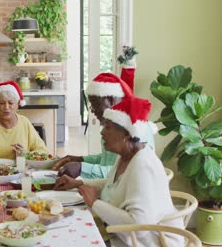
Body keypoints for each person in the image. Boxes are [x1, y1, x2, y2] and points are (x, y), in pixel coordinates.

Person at [54, 96, 182, 246]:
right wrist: (78, 183)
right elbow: (112, 184)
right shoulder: (126, 156)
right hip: (121, 237)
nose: (102, 132)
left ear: (127, 133)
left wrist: (95, 203)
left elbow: (138, 226)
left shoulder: (142, 166)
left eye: (107, 127)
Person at [53, 73, 137, 179]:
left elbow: (118, 173)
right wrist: (78, 159)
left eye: (95, 104)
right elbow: (105, 161)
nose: (92, 109)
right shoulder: (114, 123)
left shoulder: (131, 128)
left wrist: (81, 168)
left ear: (110, 100)